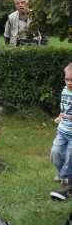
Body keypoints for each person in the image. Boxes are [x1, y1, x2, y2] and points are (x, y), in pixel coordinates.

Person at [50, 63, 72, 200]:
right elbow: (64, 107)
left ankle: (66, 182)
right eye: (67, 79)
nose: (69, 82)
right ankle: (60, 172)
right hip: (62, 130)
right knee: (55, 153)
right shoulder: (64, 90)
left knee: (70, 157)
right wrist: (59, 116)